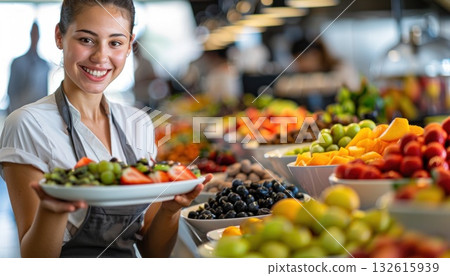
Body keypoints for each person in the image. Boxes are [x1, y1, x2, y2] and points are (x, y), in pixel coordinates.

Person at [0, 0, 210, 258]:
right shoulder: (26, 124)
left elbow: (154, 253)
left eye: (115, 42)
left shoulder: (139, 124)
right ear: (59, 35)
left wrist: (170, 209)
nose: (101, 57)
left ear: (130, 44)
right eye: (86, 40)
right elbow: (35, 261)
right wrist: (53, 208)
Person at [275, 38, 360, 111]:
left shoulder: (342, 68)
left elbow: (350, 86)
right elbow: (281, 86)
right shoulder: (308, 73)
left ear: (314, 54)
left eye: (301, 59)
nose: (299, 65)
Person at [7, 21, 50, 114]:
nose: (35, 37)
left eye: (37, 34)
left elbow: (45, 95)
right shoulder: (17, 62)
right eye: (33, 33)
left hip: (37, 114)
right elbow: (11, 92)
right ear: (30, 34)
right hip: (18, 111)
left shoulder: (44, 65)